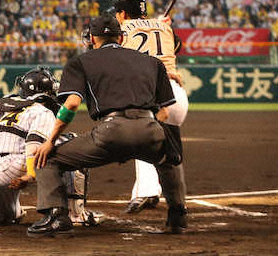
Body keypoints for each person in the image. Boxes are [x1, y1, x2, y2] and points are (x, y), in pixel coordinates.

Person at [29, 13, 187, 236]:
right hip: (148, 127)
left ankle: (56, 217)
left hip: (110, 131)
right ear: (121, 38)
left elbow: (72, 105)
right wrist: (149, 135)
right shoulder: (152, 61)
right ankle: (178, 216)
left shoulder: (80, 62)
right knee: (169, 158)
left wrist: (50, 141)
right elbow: (164, 111)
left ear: (92, 39)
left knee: (48, 159)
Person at [0, 67, 95, 228]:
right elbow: (33, 142)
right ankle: (76, 214)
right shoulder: (41, 111)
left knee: (8, 215)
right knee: (71, 143)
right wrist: (31, 173)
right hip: (12, 166)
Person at [111, 0, 189, 214]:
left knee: (141, 140)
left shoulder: (120, 29)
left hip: (152, 95)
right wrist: (161, 24)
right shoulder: (165, 27)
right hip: (176, 95)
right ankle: (172, 204)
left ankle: (147, 192)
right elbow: (175, 47)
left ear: (123, 13)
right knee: (167, 151)